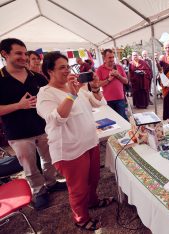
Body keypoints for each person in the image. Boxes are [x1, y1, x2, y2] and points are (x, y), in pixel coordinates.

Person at [37, 52, 113, 231]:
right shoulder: (45, 94)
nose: (67, 70)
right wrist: (71, 95)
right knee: (78, 188)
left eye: (68, 66)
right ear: (49, 71)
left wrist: (94, 88)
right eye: (61, 67)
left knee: (93, 179)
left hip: (90, 142)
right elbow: (55, 119)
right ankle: (81, 218)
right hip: (70, 150)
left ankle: (93, 201)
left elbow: (99, 104)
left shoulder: (76, 87)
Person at [0, 38, 67, 210]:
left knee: (49, 159)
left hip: (43, 128)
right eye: (18, 53)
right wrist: (18, 106)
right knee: (29, 165)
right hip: (18, 133)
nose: (24, 57)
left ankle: (51, 183)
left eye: (24, 53)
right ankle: (39, 190)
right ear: (5, 54)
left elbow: (51, 95)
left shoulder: (36, 77)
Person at [96, 49, 129, 120]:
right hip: (108, 100)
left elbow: (126, 81)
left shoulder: (119, 67)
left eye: (112, 57)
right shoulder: (100, 69)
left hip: (120, 99)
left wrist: (118, 75)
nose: (112, 59)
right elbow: (97, 84)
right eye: (109, 57)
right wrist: (109, 79)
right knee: (112, 121)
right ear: (104, 58)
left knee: (122, 119)